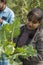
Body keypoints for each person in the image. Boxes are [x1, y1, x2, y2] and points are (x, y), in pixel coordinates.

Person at [0, 0, 15, 65]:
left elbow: (12, 28)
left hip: (4, 43)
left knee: (4, 61)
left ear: (3, 2)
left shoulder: (10, 13)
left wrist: (2, 21)